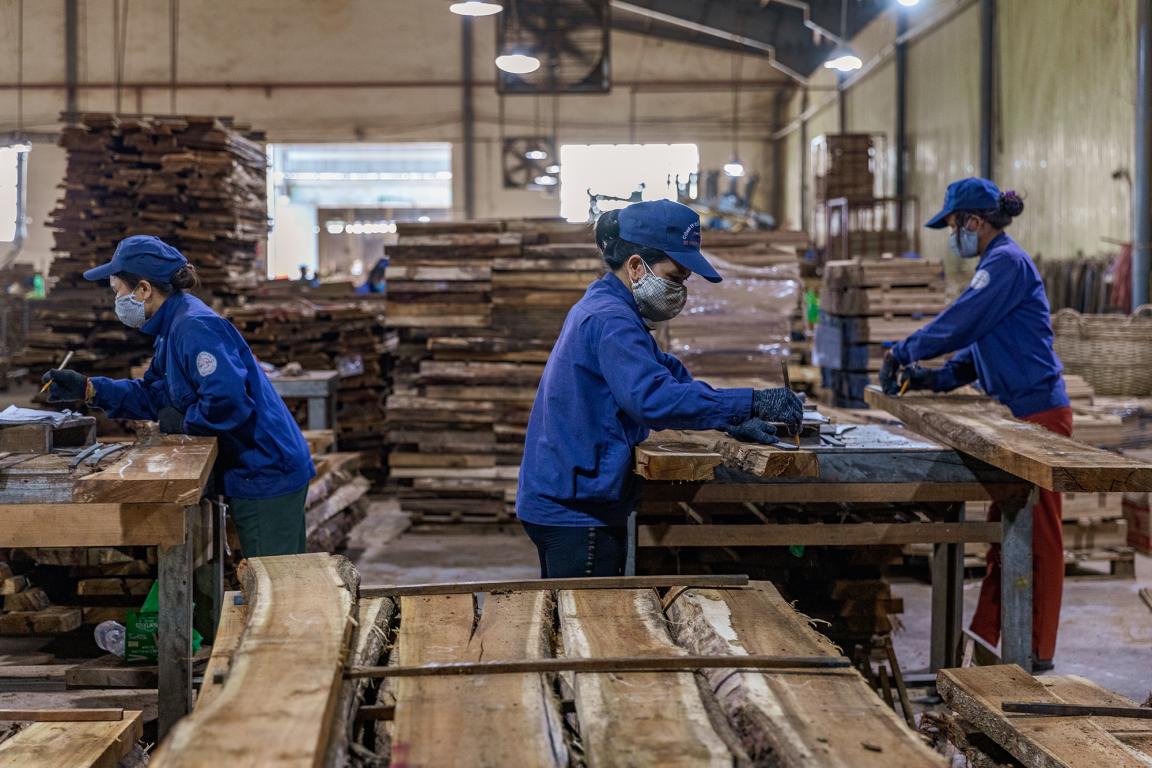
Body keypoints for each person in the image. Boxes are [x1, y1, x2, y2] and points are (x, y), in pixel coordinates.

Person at [517, 200, 805, 578]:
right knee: (587, 628)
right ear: (636, 266)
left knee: (576, 622)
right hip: (576, 509)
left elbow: (667, 373)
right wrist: (751, 401)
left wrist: (732, 418)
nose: (681, 289)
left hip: (569, 495)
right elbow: (653, 400)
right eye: (676, 276)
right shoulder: (612, 320)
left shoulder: (613, 308)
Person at [878, 177, 1069, 672]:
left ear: (975, 222)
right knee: (1004, 532)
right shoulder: (996, 265)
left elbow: (961, 322)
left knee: (1038, 536)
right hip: (1022, 416)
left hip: (1042, 416)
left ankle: (1037, 653)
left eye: (953, 225)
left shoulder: (1004, 263)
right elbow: (978, 345)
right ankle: (988, 643)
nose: (951, 235)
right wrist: (934, 379)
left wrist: (904, 350)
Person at [42, 235, 315, 557]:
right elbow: (154, 393)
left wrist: (187, 422)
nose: (115, 300)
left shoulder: (194, 327)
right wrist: (90, 388)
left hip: (265, 469)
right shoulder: (170, 327)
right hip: (251, 467)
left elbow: (228, 401)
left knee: (276, 583)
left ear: (143, 289)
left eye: (117, 291)